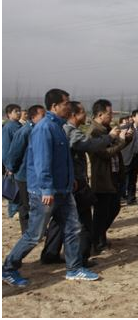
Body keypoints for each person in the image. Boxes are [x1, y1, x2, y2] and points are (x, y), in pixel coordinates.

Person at [2, 89, 99, 287]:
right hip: (45, 193)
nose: (69, 107)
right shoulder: (44, 128)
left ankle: (74, 268)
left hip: (63, 190)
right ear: (54, 106)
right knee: (34, 235)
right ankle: (8, 268)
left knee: (73, 228)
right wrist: (46, 188)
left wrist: (70, 180)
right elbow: (42, 161)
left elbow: (63, 160)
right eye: (66, 103)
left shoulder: (58, 126)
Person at [41, 101, 121, 266]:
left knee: (59, 218)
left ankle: (50, 253)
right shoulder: (71, 132)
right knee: (84, 221)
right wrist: (111, 138)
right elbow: (90, 145)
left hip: (68, 181)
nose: (86, 115)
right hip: (76, 182)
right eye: (83, 112)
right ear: (74, 115)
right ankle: (81, 258)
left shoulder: (60, 129)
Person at [88, 99, 130, 253]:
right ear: (100, 114)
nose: (112, 116)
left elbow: (116, 148)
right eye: (109, 114)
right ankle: (95, 242)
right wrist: (121, 142)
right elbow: (105, 153)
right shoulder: (94, 132)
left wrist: (126, 138)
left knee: (113, 208)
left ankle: (99, 238)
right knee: (101, 212)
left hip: (113, 175)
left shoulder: (107, 129)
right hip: (102, 177)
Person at [5, 105, 46, 234]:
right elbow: (14, 152)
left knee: (35, 203)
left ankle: (36, 229)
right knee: (25, 204)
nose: (45, 118)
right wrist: (11, 168)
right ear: (33, 117)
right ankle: (27, 231)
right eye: (42, 116)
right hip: (23, 175)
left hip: (34, 174)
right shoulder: (25, 131)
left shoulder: (37, 130)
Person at [3, 103, 22, 218]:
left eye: (19, 110)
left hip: (20, 164)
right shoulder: (8, 127)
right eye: (16, 111)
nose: (19, 113)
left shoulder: (20, 125)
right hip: (13, 165)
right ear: (9, 114)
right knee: (13, 190)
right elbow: (5, 148)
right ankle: (13, 212)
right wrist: (8, 166)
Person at [120, 110, 138, 205]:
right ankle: (121, 196)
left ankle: (131, 198)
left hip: (136, 157)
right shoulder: (126, 128)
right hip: (127, 156)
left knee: (133, 179)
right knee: (124, 179)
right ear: (133, 118)